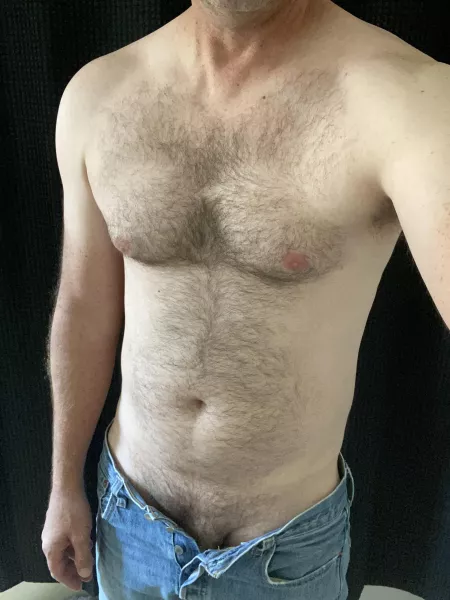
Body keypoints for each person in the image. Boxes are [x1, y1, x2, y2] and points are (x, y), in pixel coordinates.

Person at [41, 0, 450, 598]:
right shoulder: (99, 94)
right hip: (129, 523)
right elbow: (83, 307)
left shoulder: (408, 100)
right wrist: (62, 485)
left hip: (285, 552)